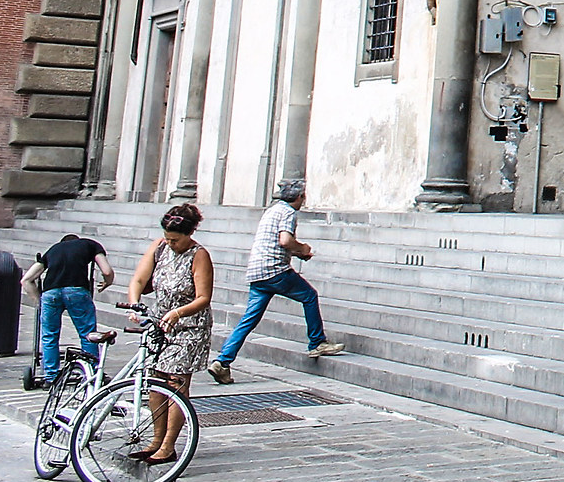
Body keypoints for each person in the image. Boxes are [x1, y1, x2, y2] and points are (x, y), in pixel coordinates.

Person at [207, 178, 342, 383]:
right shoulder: (288, 212)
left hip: (257, 271)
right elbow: (285, 240)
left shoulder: (271, 210)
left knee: (248, 320)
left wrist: (297, 253)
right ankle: (317, 342)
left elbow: (277, 242)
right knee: (309, 296)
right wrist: (303, 249)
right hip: (274, 270)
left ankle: (223, 361)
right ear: (299, 197)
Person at [128, 203, 213, 466]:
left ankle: (169, 445)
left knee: (176, 383)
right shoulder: (160, 247)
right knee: (155, 381)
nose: (171, 243)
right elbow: (140, 280)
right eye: (167, 237)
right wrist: (134, 304)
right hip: (161, 324)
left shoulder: (199, 255)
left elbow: (203, 297)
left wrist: (178, 313)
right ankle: (156, 439)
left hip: (188, 327)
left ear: (189, 234)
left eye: (175, 240)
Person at [22, 230, 113, 384]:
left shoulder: (53, 250)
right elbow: (107, 271)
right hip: (76, 290)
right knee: (87, 333)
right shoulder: (90, 244)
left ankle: (50, 377)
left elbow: (26, 280)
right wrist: (107, 282)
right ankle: (91, 373)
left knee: (49, 335)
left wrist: (40, 301)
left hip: (50, 293)